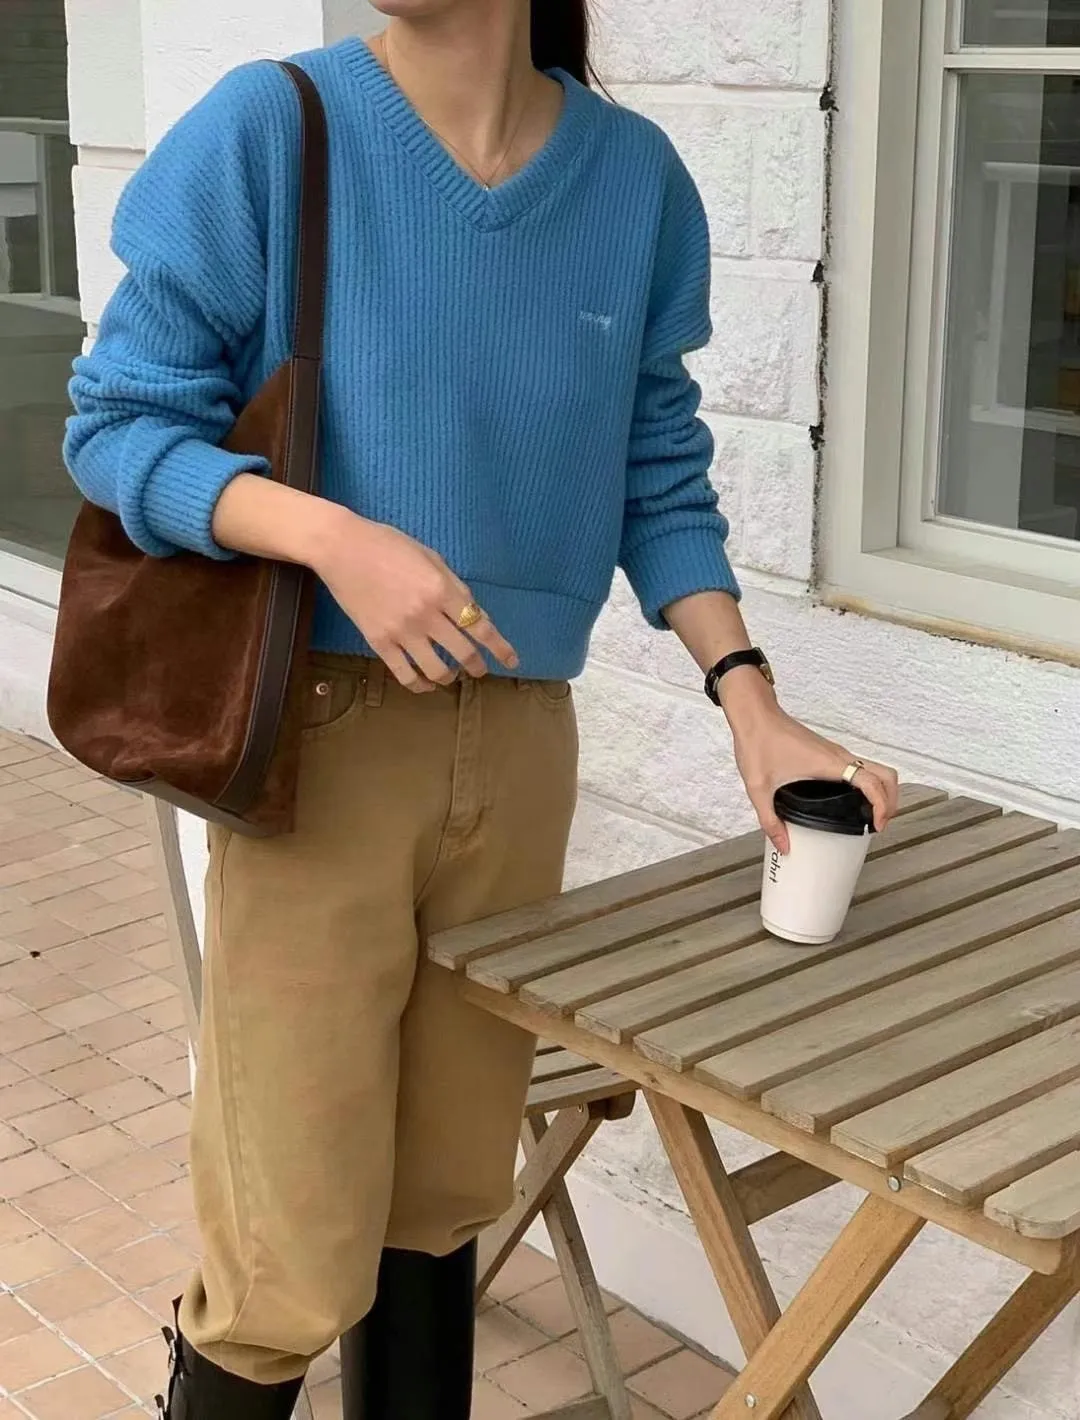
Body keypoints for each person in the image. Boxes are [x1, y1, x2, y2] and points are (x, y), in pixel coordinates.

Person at [64, 0, 900, 1415]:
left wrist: (751, 704)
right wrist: (336, 539)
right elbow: (119, 426)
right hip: (318, 746)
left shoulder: (632, 181)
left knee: (447, 1189)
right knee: (285, 1245)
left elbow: (656, 467)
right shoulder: (273, 129)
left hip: (519, 749)